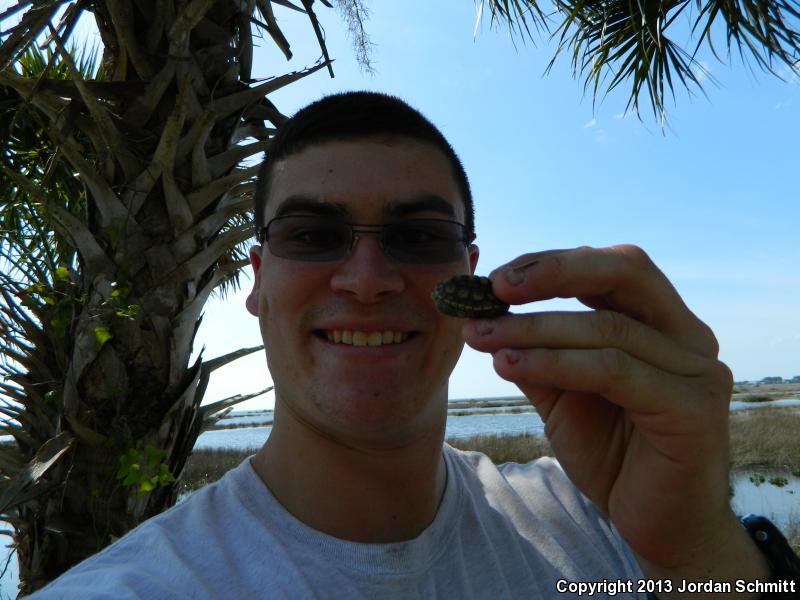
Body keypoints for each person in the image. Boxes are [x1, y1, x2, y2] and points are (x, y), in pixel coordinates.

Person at [30, 91, 794, 599]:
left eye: (418, 236)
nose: (367, 279)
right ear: (257, 280)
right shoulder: (138, 587)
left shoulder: (598, 518)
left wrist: (695, 550)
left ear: (473, 273)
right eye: (314, 235)